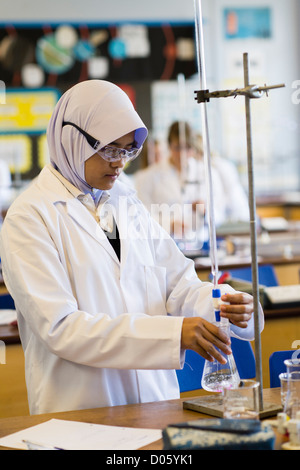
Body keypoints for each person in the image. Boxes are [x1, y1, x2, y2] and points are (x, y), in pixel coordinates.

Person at [0, 80, 263, 415]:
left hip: (154, 404)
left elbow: (177, 283)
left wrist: (220, 304)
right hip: (80, 411)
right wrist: (172, 334)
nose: (119, 162)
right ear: (71, 138)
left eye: (127, 150)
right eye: (109, 148)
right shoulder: (30, 216)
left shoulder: (125, 202)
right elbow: (61, 328)